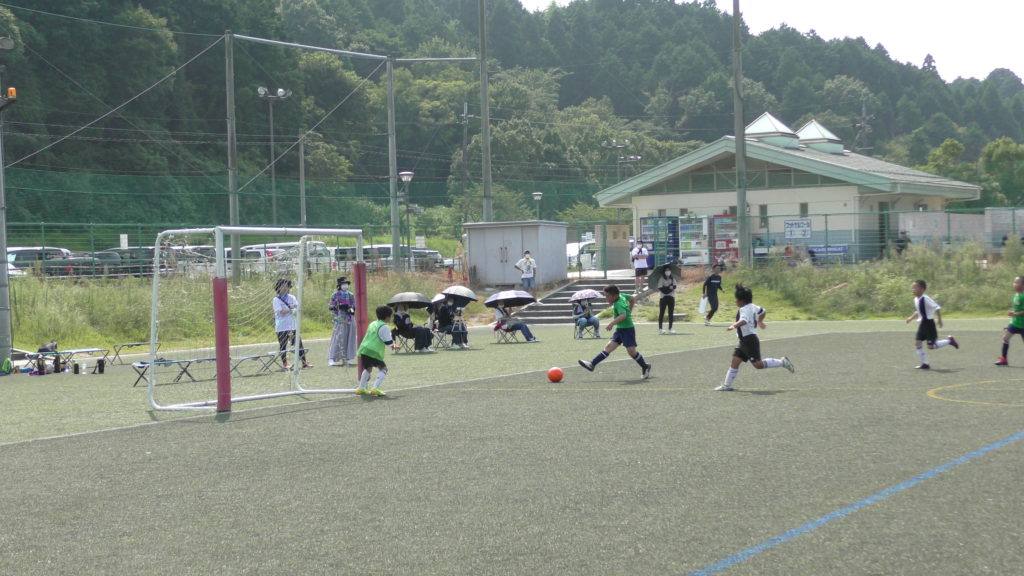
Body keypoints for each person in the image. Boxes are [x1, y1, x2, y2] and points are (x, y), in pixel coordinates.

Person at [715, 284, 794, 391]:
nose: (735, 301)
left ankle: (782, 362)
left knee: (758, 365)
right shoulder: (753, 306)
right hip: (744, 341)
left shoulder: (743, 309)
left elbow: (744, 320)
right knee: (735, 361)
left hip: (749, 341)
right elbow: (763, 311)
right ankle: (727, 385)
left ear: (741, 300)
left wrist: (734, 326)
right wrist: (760, 321)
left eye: (736, 299)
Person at [578, 284, 652, 380]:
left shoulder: (618, 303)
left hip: (627, 329)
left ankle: (645, 366)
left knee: (631, 352)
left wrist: (611, 323)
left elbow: (623, 315)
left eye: (607, 296)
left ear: (614, 296)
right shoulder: (621, 295)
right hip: (620, 329)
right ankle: (592, 364)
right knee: (609, 347)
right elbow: (632, 298)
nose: (606, 298)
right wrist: (630, 309)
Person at [905, 279, 959, 370]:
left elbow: (937, 307)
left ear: (922, 289)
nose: (913, 289)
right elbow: (919, 311)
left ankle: (949, 341)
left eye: (915, 288)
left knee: (931, 346)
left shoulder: (925, 298)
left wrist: (939, 320)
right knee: (917, 343)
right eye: (912, 288)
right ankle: (925, 364)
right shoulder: (916, 299)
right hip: (922, 325)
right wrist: (911, 318)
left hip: (929, 325)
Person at [355, 305, 399, 396]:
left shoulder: (373, 323)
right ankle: (375, 388)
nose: (391, 318)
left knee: (368, 368)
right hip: (374, 351)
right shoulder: (384, 326)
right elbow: (388, 341)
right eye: (391, 316)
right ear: (387, 317)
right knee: (383, 369)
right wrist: (394, 346)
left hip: (364, 349)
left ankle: (361, 388)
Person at [272, 278, 311, 370]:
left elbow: (297, 307)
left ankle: (304, 362)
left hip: (292, 325)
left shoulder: (292, 297)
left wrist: (291, 309)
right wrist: (291, 309)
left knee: (298, 344)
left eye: (287, 286)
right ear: (278, 287)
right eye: (282, 286)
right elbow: (281, 312)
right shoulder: (276, 299)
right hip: (281, 327)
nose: (285, 288)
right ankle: (285, 363)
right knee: (283, 345)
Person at [327, 276, 356, 366]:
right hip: (340, 318)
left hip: (349, 319)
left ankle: (346, 358)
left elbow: (354, 306)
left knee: (348, 338)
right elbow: (330, 307)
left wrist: (351, 310)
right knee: (338, 338)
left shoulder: (351, 295)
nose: (345, 285)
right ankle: (332, 358)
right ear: (339, 285)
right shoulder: (335, 295)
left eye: (346, 283)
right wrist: (339, 306)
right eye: (343, 284)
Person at [996, 276, 1024, 366]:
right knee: (1005, 338)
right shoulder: (1017, 295)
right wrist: (1013, 312)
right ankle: (1004, 360)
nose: (1014, 284)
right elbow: (1018, 308)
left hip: (1023, 325)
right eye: (1014, 282)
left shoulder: (1023, 296)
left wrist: (1015, 314)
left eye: (1017, 282)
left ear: (1023, 285)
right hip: (1014, 323)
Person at [657, 267, 677, 334]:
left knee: (671, 313)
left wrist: (667, 288)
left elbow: (674, 286)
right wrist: (669, 288)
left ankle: (670, 328)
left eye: (669, 270)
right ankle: (660, 329)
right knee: (661, 313)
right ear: (664, 271)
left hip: (671, 297)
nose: (667, 271)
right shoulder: (661, 278)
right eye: (666, 270)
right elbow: (661, 289)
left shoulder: (672, 278)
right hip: (663, 298)